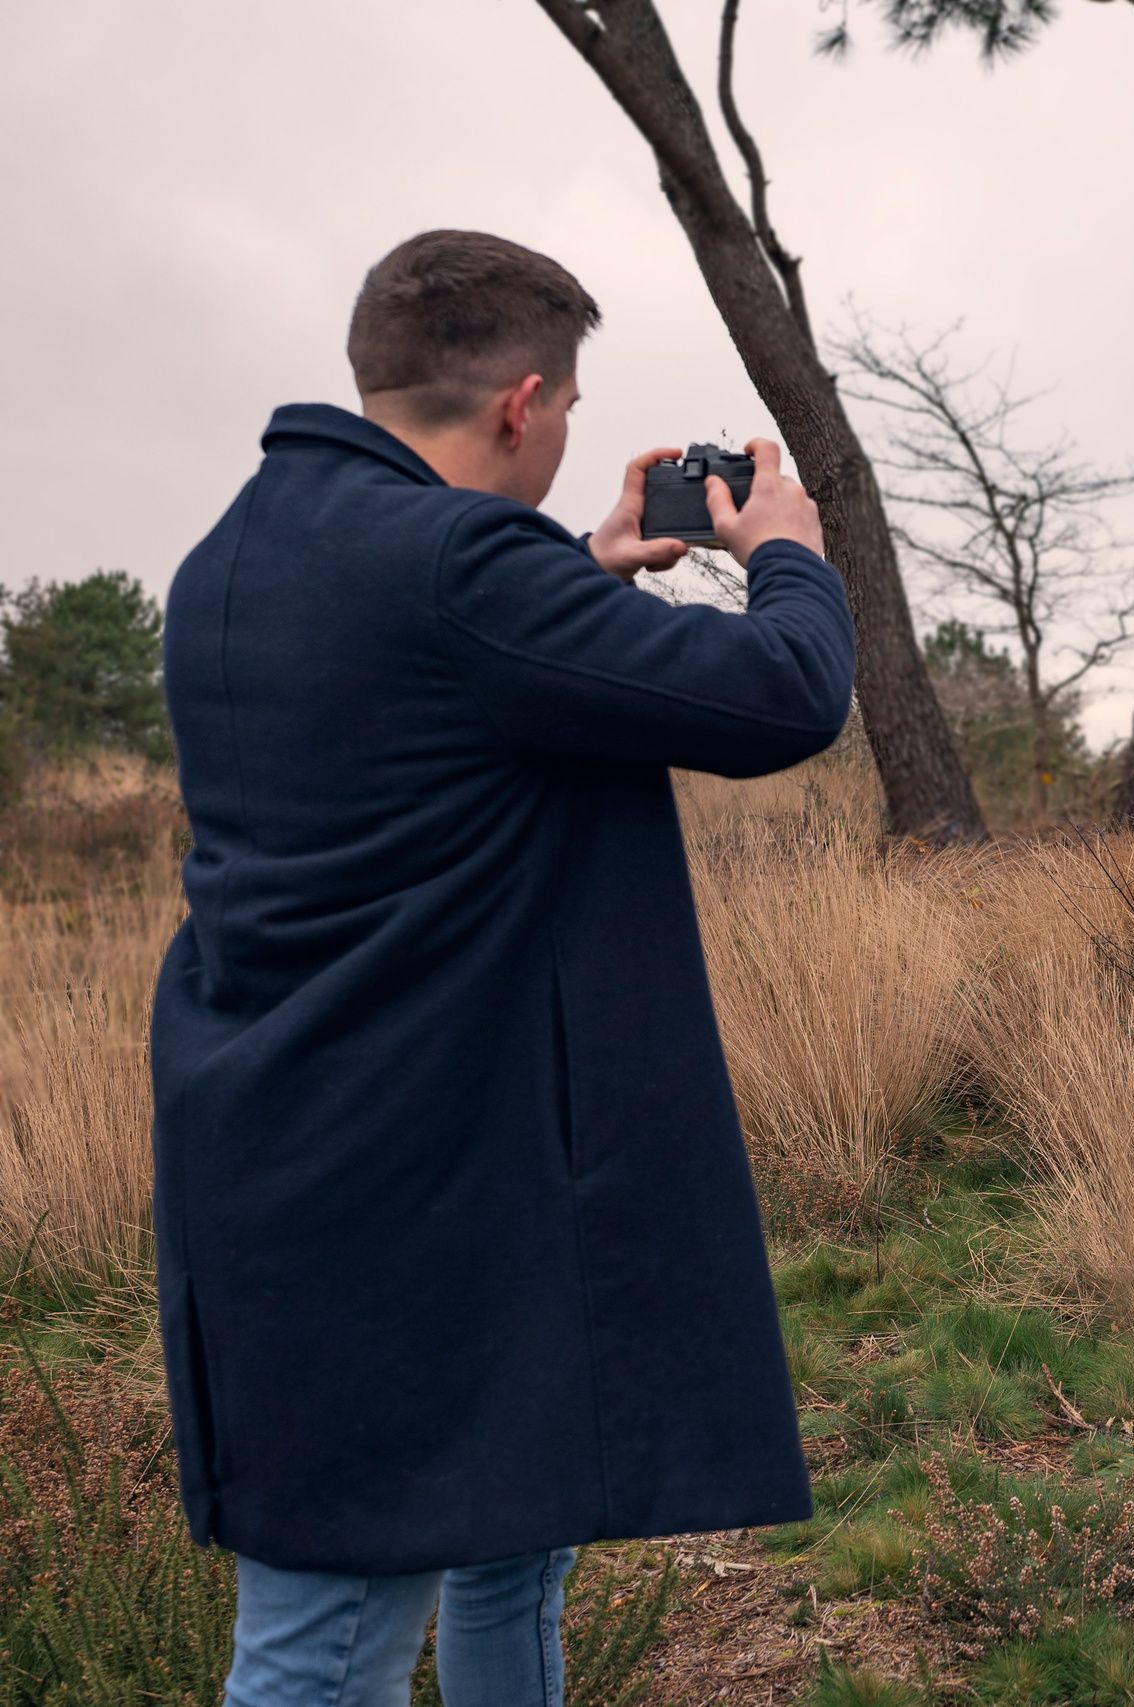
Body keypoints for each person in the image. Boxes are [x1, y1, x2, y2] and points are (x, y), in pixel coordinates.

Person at [151, 230, 856, 1707]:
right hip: (408, 1201)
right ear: (523, 404)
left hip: (307, 1157)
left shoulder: (239, 548)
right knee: (326, 1645)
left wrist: (583, 570)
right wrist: (781, 542)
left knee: (502, 1543)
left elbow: (414, 698)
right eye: (574, 412)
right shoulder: (460, 566)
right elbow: (783, 693)